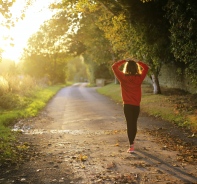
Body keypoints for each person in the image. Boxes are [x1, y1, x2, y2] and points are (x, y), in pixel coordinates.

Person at [112, 59, 149, 153]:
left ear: (126, 67)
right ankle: (132, 142)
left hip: (127, 105)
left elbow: (114, 67)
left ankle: (131, 145)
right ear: (136, 68)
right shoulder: (139, 78)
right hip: (136, 105)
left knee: (129, 124)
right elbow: (146, 67)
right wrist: (138, 62)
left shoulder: (123, 77)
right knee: (134, 123)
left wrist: (123, 61)